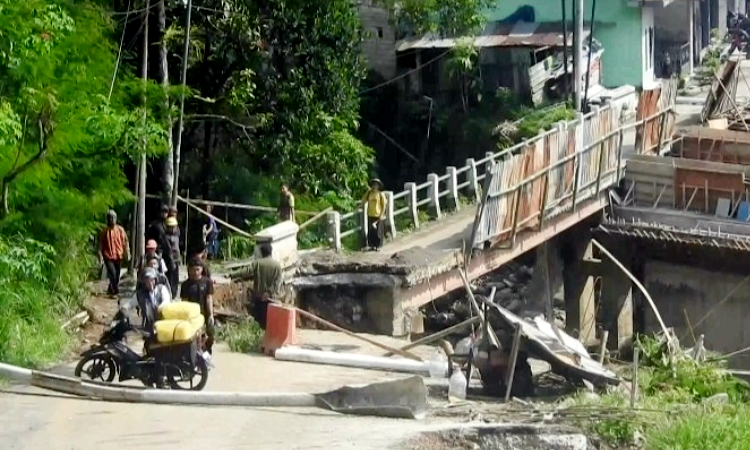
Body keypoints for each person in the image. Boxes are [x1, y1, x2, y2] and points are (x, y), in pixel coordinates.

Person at [235, 244, 282, 329]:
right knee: (271, 323)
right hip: (272, 299)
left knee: (259, 322)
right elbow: (278, 281)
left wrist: (232, 274)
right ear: (271, 252)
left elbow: (246, 271)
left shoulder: (257, 263)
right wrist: (269, 292)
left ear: (261, 253)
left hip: (259, 298)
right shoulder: (277, 265)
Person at [120, 268, 172, 334]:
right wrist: (123, 308)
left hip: (164, 323)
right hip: (149, 325)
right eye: (147, 281)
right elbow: (130, 303)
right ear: (144, 283)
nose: (150, 283)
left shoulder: (162, 289)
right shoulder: (140, 294)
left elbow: (166, 301)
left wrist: (160, 307)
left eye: (151, 280)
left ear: (155, 280)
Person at [180, 258, 215, 354]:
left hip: (205, 313)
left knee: (210, 336)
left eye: (197, 269)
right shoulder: (186, 285)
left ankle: (207, 354)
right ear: (189, 270)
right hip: (192, 316)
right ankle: (196, 354)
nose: (195, 272)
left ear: (202, 269)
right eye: (193, 270)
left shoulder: (207, 282)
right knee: (194, 338)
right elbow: (184, 303)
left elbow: (209, 299)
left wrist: (211, 315)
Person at [99, 210, 130, 297]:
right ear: (107, 219)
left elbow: (125, 241)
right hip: (108, 256)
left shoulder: (120, 230)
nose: (112, 220)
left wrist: (127, 252)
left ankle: (111, 288)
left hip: (118, 255)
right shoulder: (104, 231)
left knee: (117, 274)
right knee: (112, 273)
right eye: (110, 218)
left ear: (116, 219)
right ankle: (115, 291)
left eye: (113, 218)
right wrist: (100, 255)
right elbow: (100, 244)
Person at [361, 178, 387, 251]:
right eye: (373, 184)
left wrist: (381, 214)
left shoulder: (380, 194)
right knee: (371, 231)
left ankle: (378, 246)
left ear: (378, 186)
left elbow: (384, 205)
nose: (374, 186)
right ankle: (372, 245)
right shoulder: (369, 193)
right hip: (370, 214)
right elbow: (363, 200)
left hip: (378, 215)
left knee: (378, 232)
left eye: (376, 185)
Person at [165, 216, 181, 298]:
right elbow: (169, 251)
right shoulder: (167, 237)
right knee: (170, 277)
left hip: (176, 259)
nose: (173, 229)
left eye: (174, 227)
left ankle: (174, 293)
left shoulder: (176, 235)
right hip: (170, 260)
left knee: (175, 278)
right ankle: (170, 293)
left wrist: (179, 258)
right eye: (171, 227)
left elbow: (177, 249)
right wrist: (171, 261)